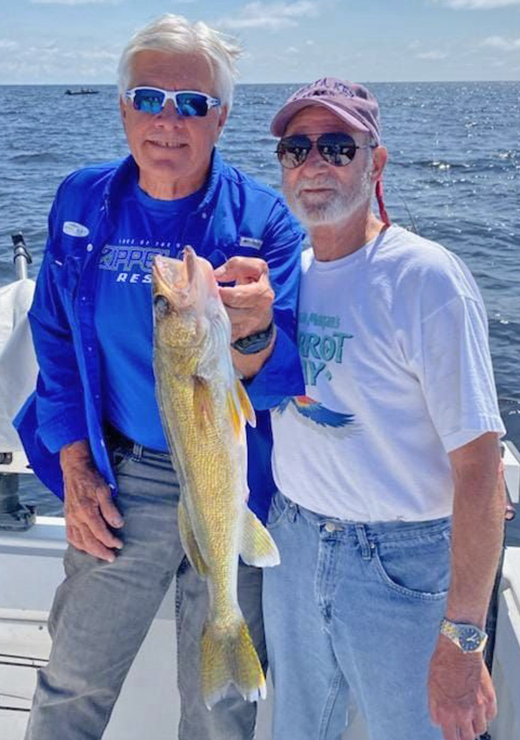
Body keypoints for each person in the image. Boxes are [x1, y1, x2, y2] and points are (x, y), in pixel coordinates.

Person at [15, 14, 304, 740]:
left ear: (222, 117)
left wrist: (258, 329)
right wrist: (76, 465)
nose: (168, 121)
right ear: (121, 109)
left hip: (236, 481)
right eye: (148, 99)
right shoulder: (81, 200)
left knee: (220, 708)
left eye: (193, 104)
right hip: (120, 478)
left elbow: (281, 381)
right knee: (71, 682)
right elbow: (52, 336)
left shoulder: (267, 221)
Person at [263, 77, 506, 740]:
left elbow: (481, 469)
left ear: (377, 160)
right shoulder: (287, 276)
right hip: (292, 542)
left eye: (338, 146)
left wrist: (463, 638)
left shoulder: (426, 277)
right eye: (296, 148)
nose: (314, 163)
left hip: (400, 564)